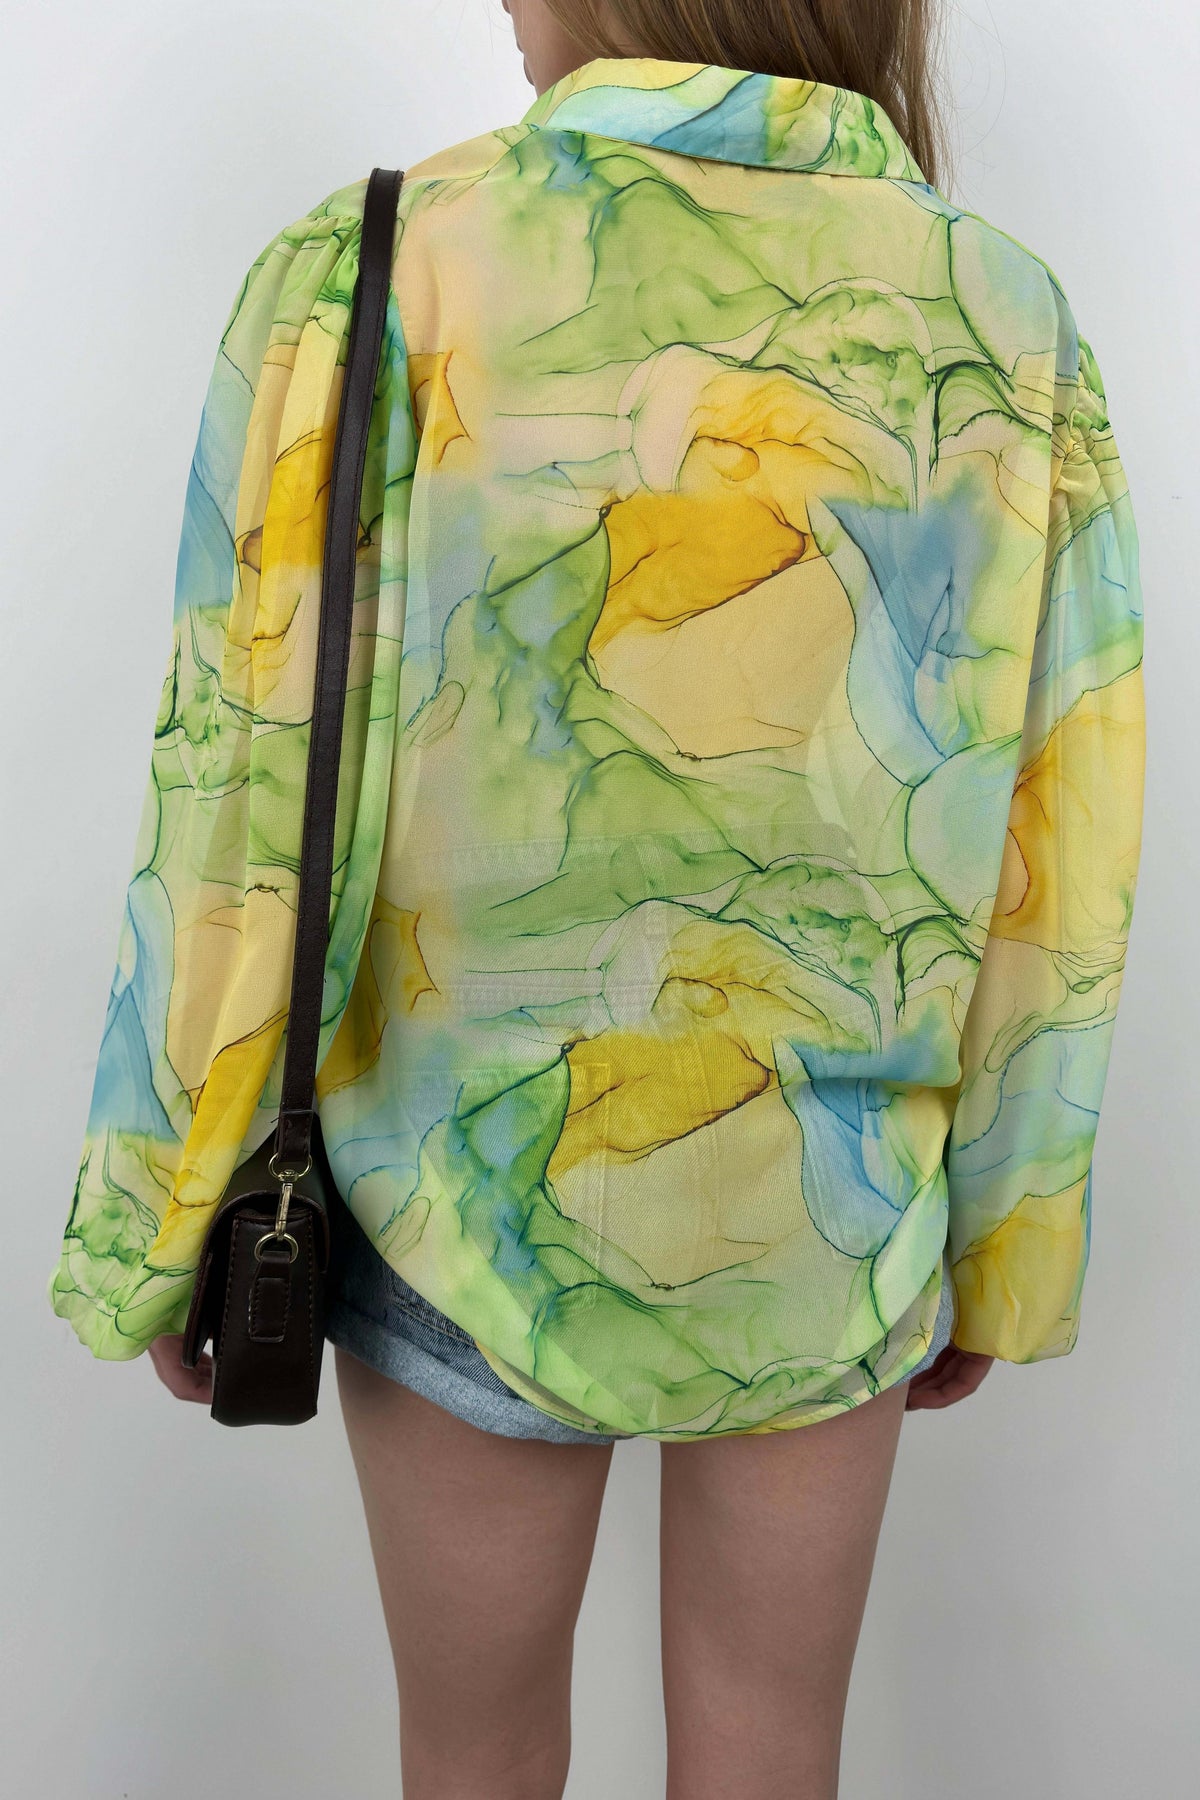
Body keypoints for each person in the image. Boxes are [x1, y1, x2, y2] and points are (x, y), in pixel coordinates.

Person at [48, 2, 1145, 1795]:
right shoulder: (1005, 315)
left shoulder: (382, 265)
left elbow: (241, 782)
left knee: (471, 1763)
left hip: (453, 1189)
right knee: (774, 1757)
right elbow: (1057, 824)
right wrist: (997, 1236)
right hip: (838, 1216)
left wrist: (170, 1207)